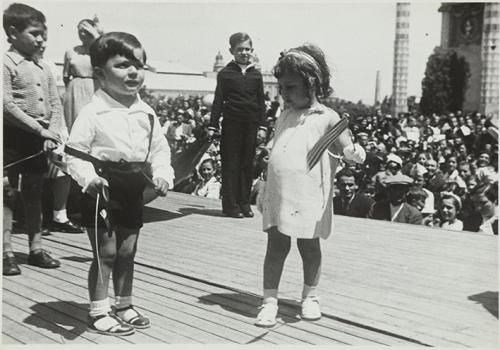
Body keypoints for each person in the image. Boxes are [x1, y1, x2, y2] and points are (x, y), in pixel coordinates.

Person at [65, 32, 174, 336]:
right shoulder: (92, 112)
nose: (133, 72)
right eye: (123, 65)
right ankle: (99, 309)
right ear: (99, 73)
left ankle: (124, 304)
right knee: (106, 252)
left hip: (132, 186)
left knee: (128, 250)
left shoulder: (146, 112)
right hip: (101, 187)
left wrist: (163, 173)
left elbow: (160, 150)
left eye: (139, 65)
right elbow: (74, 154)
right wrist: (89, 178)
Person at [255, 44, 366, 327]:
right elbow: (277, 147)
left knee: (309, 246)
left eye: (290, 87)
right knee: (275, 247)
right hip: (279, 193)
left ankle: (310, 296)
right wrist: (265, 178)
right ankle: (269, 300)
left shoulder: (327, 116)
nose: (284, 94)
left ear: (311, 84)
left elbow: (346, 144)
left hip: (309, 194)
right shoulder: (284, 114)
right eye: (281, 88)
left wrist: (354, 153)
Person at [3, 3, 63, 275]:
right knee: (7, 194)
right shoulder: (5, 64)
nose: (41, 40)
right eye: (35, 33)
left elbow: (56, 103)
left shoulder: (43, 67)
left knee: (35, 193)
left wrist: (53, 133)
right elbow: (5, 105)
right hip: (11, 137)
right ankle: (6, 251)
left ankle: (36, 248)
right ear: (13, 32)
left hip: (41, 139)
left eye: (43, 35)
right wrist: (40, 130)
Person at [208, 32, 267, 218]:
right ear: (231, 51)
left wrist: (263, 126)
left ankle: (244, 203)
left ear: (252, 51)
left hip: (250, 125)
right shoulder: (225, 74)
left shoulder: (256, 75)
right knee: (231, 164)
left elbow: (261, 102)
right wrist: (212, 125)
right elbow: (218, 100)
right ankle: (230, 205)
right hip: (231, 124)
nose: (244, 53)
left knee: (247, 165)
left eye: (247, 49)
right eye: (240, 49)